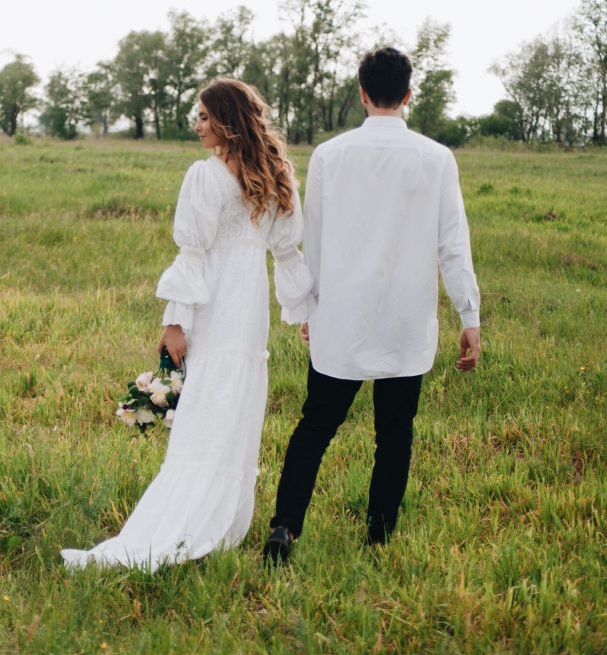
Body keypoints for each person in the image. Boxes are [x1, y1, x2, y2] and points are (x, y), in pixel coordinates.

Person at [61, 78, 314, 572]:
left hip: (229, 310)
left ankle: (200, 523)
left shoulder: (228, 174)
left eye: (202, 116)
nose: (196, 125)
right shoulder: (259, 172)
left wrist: (177, 322)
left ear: (226, 118)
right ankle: (204, 517)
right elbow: (271, 253)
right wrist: (179, 317)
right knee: (214, 406)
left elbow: (260, 251)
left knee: (224, 409)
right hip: (238, 308)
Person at [263, 46, 481, 565]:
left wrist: (309, 308)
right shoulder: (436, 158)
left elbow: (310, 241)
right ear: (408, 95)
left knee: (314, 426)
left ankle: (284, 528)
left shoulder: (330, 156)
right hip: (404, 320)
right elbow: (454, 244)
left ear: (362, 94)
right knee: (395, 434)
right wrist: (468, 316)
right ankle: (378, 538)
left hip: (342, 316)